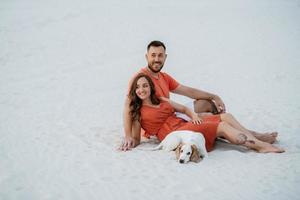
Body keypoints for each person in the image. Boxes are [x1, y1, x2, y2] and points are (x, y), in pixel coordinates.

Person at [120, 40, 277, 151]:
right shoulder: (140, 80)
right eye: (153, 55)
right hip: (165, 123)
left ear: (165, 57)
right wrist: (128, 136)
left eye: (160, 55)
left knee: (211, 106)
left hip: (172, 114)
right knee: (215, 120)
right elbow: (129, 106)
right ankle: (245, 138)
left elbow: (188, 91)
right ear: (146, 56)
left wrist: (213, 95)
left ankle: (252, 136)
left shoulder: (164, 77)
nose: (156, 59)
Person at [121, 73, 284, 153]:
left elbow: (184, 109)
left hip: (183, 123)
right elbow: (135, 139)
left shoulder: (162, 100)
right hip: (174, 134)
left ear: (150, 87)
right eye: (138, 87)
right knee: (222, 126)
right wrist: (129, 140)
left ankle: (255, 138)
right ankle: (260, 146)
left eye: (145, 86)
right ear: (134, 91)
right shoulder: (138, 112)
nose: (141, 89)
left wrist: (195, 116)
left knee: (226, 117)